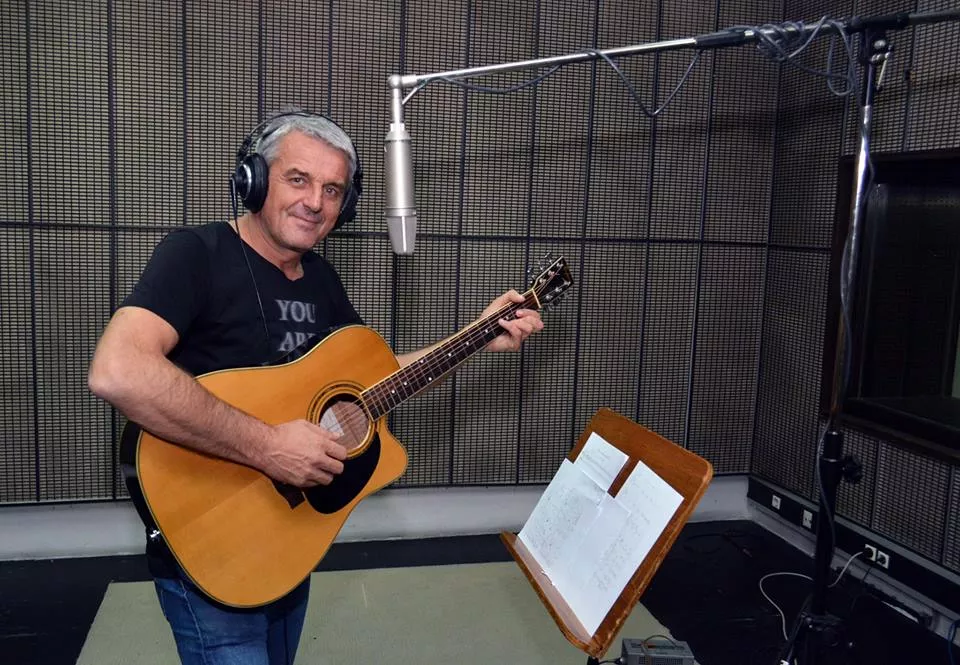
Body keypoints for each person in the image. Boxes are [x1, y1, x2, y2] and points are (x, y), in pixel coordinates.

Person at [87, 108, 544, 665]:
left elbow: (374, 382)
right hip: (209, 548)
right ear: (254, 180)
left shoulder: (322, 279)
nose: (315, 202)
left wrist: (476, 336)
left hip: (286, 536)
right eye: (298, 179)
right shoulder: (196, 254)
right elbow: (118, 370)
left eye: (332, 191)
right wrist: (268, 446)